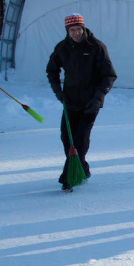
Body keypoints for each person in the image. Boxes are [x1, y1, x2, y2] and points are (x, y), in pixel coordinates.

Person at [47, 13, 117, 191]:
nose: (76, 33)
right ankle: (82, 168)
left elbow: (109, 75)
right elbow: (52, 71)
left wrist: (99, 97)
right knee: (66, 137)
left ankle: (68, 177)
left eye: (79, 29)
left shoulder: (96, 47)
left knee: (80, 140)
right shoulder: (62, 48)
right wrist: (59, 92)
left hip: (90, 102)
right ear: (67, 31)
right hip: (69, 101)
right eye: (72, 30)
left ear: (84, 28)